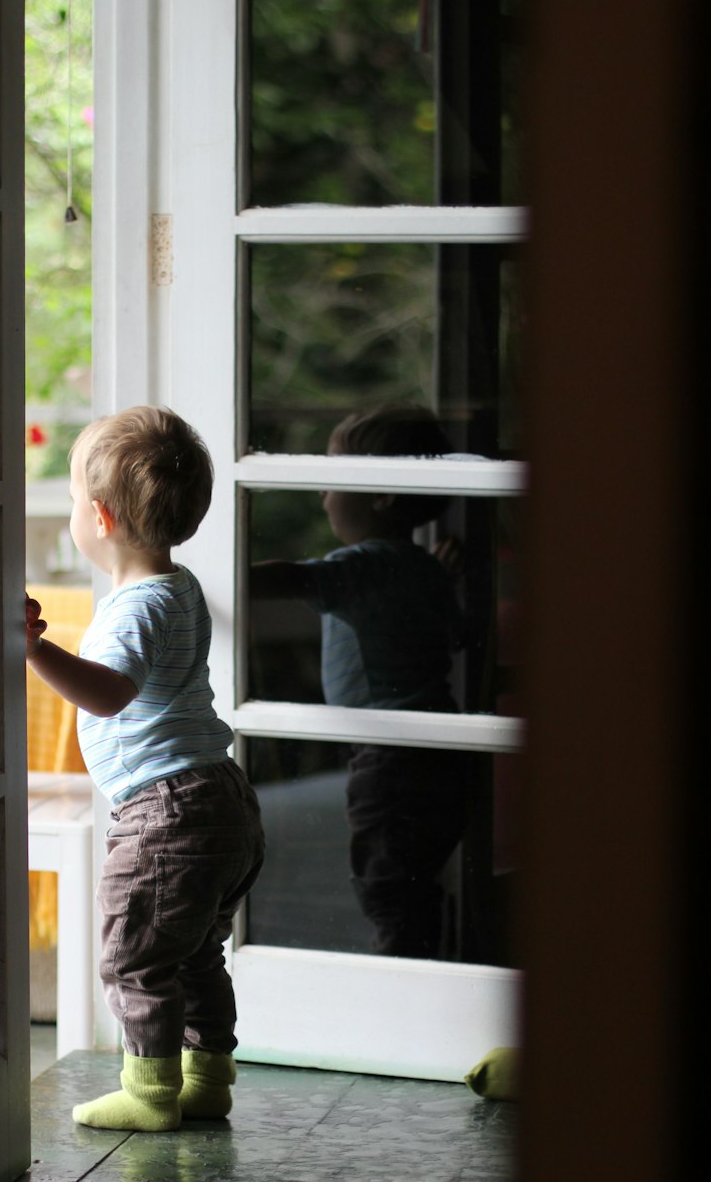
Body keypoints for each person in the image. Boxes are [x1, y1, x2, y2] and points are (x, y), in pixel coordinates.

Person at [26, 406, 265, 1131]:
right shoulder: (179, 586)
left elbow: (110, 693)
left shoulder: (135, 608)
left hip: (167, 812)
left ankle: (151, 1092)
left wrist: (32, 650)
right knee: (195, 955)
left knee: (133, 957)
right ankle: (208, 1078)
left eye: (71, 498)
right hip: (221, 797)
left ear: (98, 517)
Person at [251, 406, 467, 959]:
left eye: (334, 478)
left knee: (384, 880)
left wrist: (216, 572)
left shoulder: (362, 565)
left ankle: (399, 969)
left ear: (382, 496)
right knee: (413, 877)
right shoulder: (424, 569)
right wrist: (440, 577)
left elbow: (293, 577)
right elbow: (457, 635)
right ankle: (424, 953)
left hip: (390, 759)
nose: (322, 492)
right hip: (439, 750)